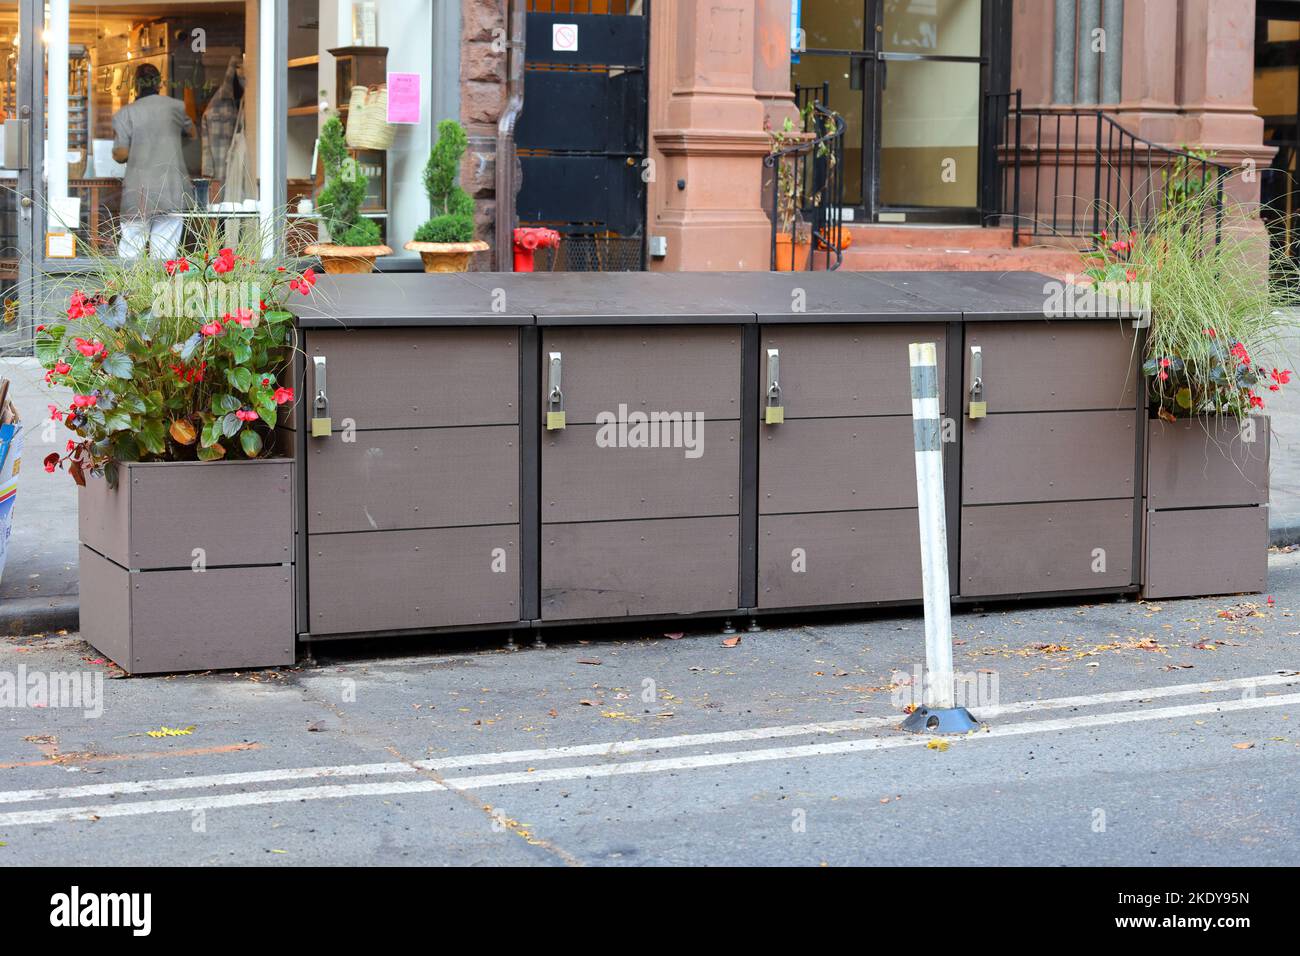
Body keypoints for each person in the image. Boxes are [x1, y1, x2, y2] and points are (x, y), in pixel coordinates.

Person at [112, 64, 195, 259]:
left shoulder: (125, 113)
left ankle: (130, 290)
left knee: (131, 252)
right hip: (171, 189)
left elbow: (121, 154)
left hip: (138, 191)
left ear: (135, 86)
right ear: (159, 84)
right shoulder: (176, 107)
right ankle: (159, 290)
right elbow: (192, 133)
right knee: (165, 254)